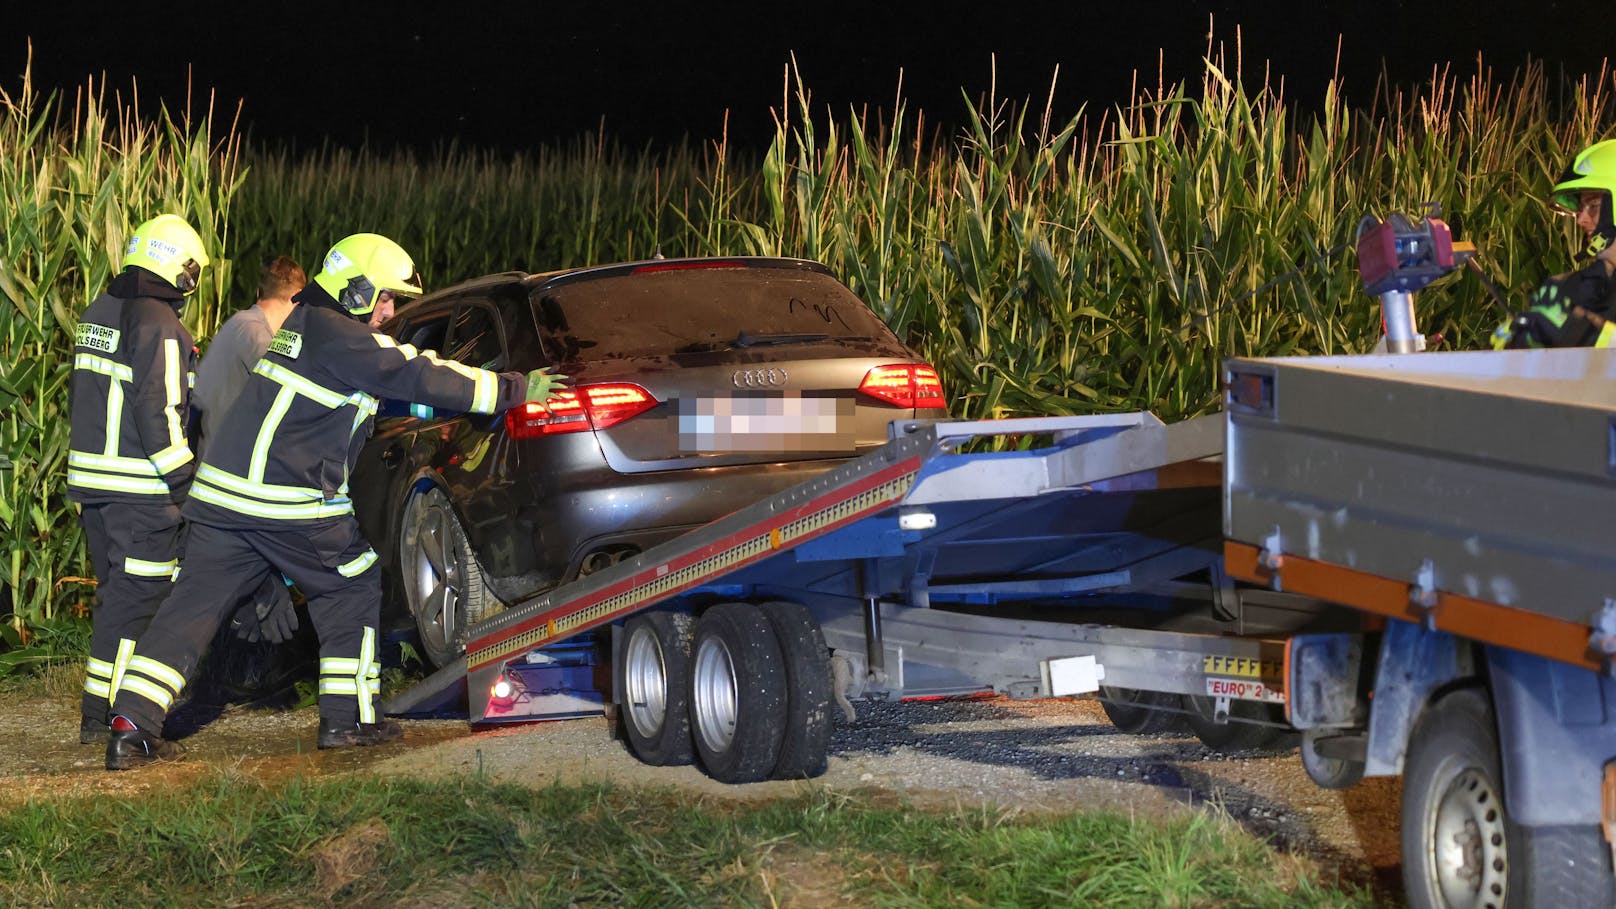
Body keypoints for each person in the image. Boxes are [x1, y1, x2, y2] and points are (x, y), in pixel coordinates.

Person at [103, 233, 570, 769]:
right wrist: (512, 389)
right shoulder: (343, 336)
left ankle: (131, 725)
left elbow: (375, 396)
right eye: (387, 298)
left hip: (222, 500)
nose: (390, 311)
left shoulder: (305, 328)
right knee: (353, 582)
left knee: (188, 612)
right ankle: (347, 721)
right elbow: (416, 369)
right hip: (283, 502)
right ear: (357, 290)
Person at [67, 213, 210, 744]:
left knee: (115, 600)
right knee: (139, 605)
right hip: (142, 493)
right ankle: (116, 718)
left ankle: (95, 714)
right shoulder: (161, 324)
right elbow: (161, 411)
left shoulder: (97, 311)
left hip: (95, 489)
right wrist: (185, 485)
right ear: (182, 270)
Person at [193, 256, 309, 646]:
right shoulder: (253, 331)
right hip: (233, 483)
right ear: (296, 301)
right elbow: (289, 386)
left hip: (221, 478)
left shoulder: (239, 327)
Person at [1493, 139, 1616, 349]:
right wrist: (1519, 333)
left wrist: (1583, 331)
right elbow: (1498, 354)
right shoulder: (1568, 286)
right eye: (1580, 207)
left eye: (1594, 206)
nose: (1580, 220)